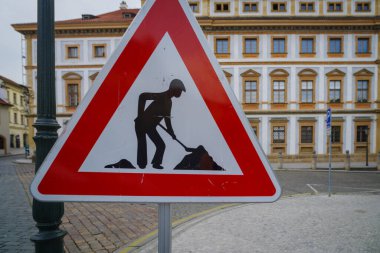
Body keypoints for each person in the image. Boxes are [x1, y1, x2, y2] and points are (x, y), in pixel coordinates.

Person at [134, 79, 186, 169]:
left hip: (150, 126)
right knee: (142, 143)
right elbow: (142, 96)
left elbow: (167, 119)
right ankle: (142, 167)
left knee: (161, 145)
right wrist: (140, 115)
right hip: (141, 123)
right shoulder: (162, 96)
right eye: (180, 90)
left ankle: (155, 164)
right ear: (174, 89)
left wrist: (172, 133)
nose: (181, 92)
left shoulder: (169, 102)